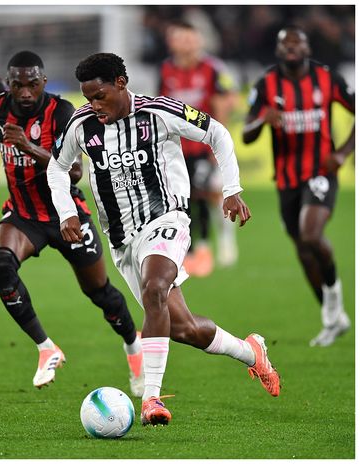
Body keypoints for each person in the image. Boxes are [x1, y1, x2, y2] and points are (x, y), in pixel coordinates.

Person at [47, 52, 280, 426]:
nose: (94, 105)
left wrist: (231, 189)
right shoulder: (81, 124)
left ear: (121, 83)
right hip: (122, 239)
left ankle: (151, 399)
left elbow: (217, 133)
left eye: (100, 96)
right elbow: (56, 168)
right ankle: (251, 352)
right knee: (183, 328)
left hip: (167, 218)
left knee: (154, 289)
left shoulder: (159, 112)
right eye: (88, 98)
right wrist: (67, 212)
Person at [0, 50, 144, 395]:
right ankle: (46, 348)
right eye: (17, 85)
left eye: (32, 84)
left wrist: (26, 145)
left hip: (66, 215)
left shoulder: (61, 112)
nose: (26, 92)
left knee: (99, 292)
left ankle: (134, 346)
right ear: (9, 84)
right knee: (0, 264)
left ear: (43, 82)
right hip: (23, 215)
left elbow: (74, 171)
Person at [243, 26, 354, 347]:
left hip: (321, 171)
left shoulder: (327, 78)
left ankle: (334, 306)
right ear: (278, 50)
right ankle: (333, 318)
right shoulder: (266, 84)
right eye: (285, 44)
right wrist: (262, 120)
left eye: (297, 43)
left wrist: (343, 153)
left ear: (307, 48)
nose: (291, 47)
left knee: (311, 234)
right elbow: (247, 135)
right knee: (304, 251)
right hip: (286, 179)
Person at [158, 20, 239, 275]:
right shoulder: (165, 70)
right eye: (182, 38)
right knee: (183, 195)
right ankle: (191, 248)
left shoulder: (212, 68)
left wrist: (218, 143)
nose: (188, 43)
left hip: (204, 145)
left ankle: (214, 242)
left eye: (191, 38)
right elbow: (160, 106)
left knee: (205, 191)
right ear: (172, 42)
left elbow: (226, 101)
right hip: (177, 147)